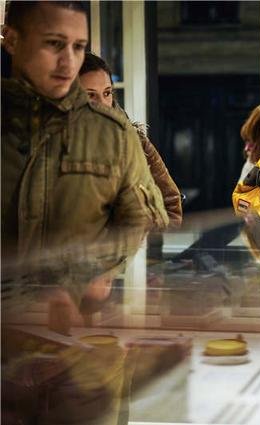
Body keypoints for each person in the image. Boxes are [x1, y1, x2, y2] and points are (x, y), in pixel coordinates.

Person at [1, 1, 168, 270]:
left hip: (77, 306)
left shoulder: (115, 135)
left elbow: (145, 225)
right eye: (54, 43)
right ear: (11, 40)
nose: (68, 62)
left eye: (78, 47)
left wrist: (86, 280)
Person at [79, 52, 183, 228]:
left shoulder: (135, 142)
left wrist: (144, 249)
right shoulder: (56, 143)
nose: (103, 104)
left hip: (131, 253)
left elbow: (171, 207)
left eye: (107, 93)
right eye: (91, 95)